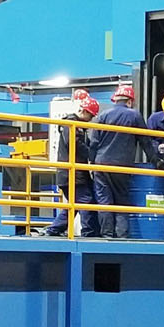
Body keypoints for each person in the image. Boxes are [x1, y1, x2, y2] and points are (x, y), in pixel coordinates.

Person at [87, 84, 147, 238]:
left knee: (104, 202)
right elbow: (146, 142)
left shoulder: (103, 116)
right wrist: (157, 162)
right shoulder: (134, 116)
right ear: (130, 101)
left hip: (101, 165)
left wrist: (91, 164)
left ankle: (106, 235)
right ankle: (121, 236)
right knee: (121, 201)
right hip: (122, 166)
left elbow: (94, 143)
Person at [37, 94, 99, 237]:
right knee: (85, 201)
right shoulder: (71, 124)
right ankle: (88, 233)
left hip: (73, 174)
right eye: (90, 116)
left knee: (74, 204)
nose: (91, 119)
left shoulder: (78, 127)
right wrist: (91, 154)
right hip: (72, 174)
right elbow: (74, 144)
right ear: (84, 111)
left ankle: (54, 230)